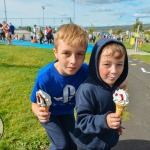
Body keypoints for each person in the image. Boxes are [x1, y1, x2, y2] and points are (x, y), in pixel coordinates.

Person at [30, 24, 89, 150]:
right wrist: (39, 113)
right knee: (61, 144)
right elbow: (34, 103)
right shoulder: (45, 77)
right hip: (49, 115)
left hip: (67, 112)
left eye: (79, 54)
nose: (73, 61)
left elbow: (100, 81)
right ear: (56, 53)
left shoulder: (85, 71)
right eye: (66, 53)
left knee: (74, 144)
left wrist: (118, 83)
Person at [74, 38, 128, 150]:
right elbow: (82, 122)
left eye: (119, 65)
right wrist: (105, 121)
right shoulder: (87, 89)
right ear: (95, 64)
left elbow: (110, 111)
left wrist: (114, 124)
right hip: (88, 145)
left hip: (107, 143)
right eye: (107, 64)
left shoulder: (114, 87)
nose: (113, 70)